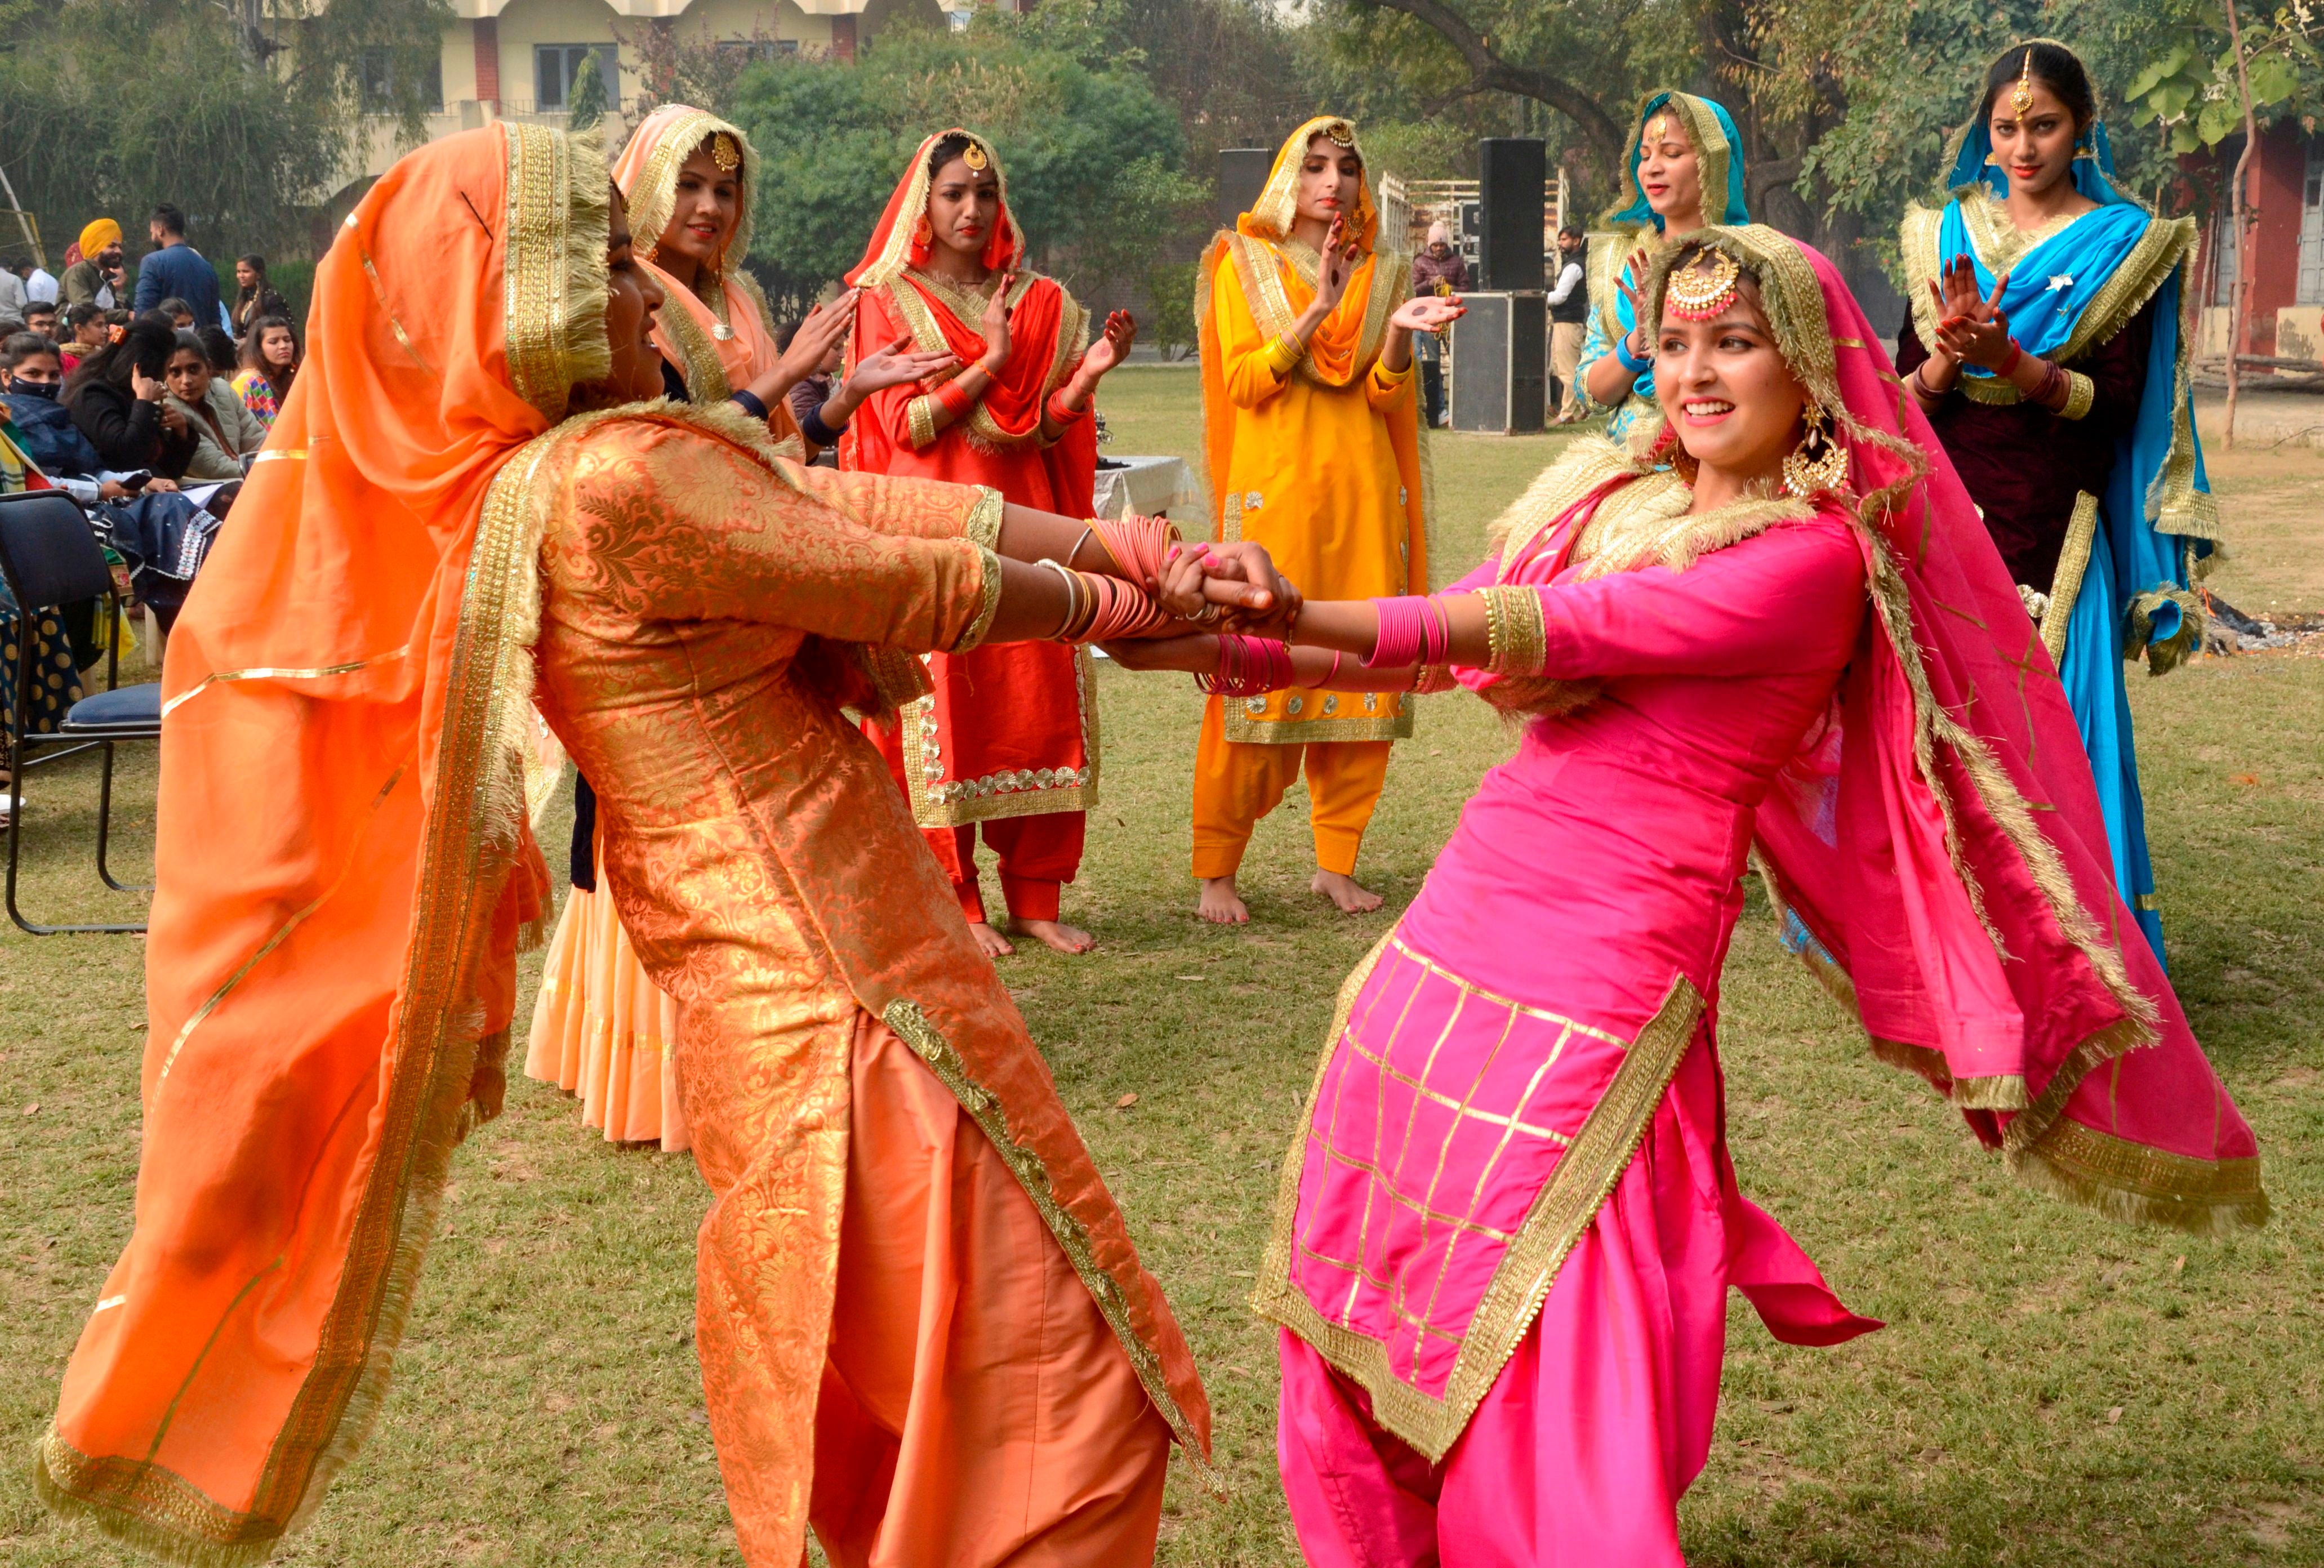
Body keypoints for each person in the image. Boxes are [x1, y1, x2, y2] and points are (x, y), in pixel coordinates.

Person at [37, 122, 1237, 1568]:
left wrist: (1112, 551)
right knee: (1046, 1399)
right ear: (520, 303)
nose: (639, 291)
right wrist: (1134, 606)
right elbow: (883, 574)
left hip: (820, 965)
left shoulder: (576, 466)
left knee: (960, 1390)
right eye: (603, 263)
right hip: (834, 992)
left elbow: (835, 501)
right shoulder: (605, 483)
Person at [1116, 224, 2267, 1566]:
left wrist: (1291, 612)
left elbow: (1543, 631)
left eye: (1733, 343)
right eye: (1671, 344)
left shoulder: (1812, 561)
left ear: (1811, 371)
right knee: (1382, 1262)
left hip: (1610, 968)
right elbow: (1459, 619)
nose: (1694, 374)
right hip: (1452, 932)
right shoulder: (1615, 505)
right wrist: (1200, 634)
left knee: (1552, 1290)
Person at [528, 109, 950, 1152]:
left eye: (725, 190)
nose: (709, 208)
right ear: (646, 189)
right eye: (689, 186)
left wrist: (839, 392)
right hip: (660, 592)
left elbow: (767, 450)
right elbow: (664, 448)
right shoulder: (633, 301)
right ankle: (663, 1076)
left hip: (749, 573)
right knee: (667, 821)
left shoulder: (738, 298)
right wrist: (781, 378)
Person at [1898, 41, 2214, 963]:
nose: (2024, 145)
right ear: (1984, 134)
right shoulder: (1937, 232)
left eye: (2044, 125)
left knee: (2056, 735)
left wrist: (2017, 365)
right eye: (2007, 127)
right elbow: (1897, 391)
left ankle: (2072, 951)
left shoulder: (2127, 245)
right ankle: (1954, 945)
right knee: (1942, 723)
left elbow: (2117, 404)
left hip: (2060, 518)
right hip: (1948, 515)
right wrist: (1953, 360)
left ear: (2081, 128)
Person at [844, 128, 1141, 957]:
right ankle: (956, 906)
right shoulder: (886, 297)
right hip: (931, 531)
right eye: (952, 196)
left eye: (984, 195)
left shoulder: (1039, 298)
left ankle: (1033, 900)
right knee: (941, 711)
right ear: (922, 206)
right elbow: (904, 421)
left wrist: (1085, 378)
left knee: (1031, 701)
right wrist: (990, 361)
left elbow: (1037, 433)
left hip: (1024, 527)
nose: (971, 210)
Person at [1188, 115, 1460, 924]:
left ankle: (1336, 860)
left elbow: (1378, 393)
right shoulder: (1240, 262)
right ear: (1285, 179)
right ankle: (1217, 869)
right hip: (1274, 505)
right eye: (1313, 167)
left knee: (1363, 670)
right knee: (1257, 675)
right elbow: (1246, 383)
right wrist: (1317, 310)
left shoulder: (1383, 273)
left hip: (1362, 494)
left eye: (1344, 166)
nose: (1331, 182)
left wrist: (1403, 338)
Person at [1575, 92, 1752, 443]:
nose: (1653, 167)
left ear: (1713, 162)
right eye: (1645, 156)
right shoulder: (1620, 261)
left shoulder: (1753, 260)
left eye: (1671, 154)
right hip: (1632, 469)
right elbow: (1589, 393)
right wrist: (1638, 340)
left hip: (1729, 466)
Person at [63, 313, 193, 476]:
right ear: (146, 367)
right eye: (168, 367)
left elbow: (170, 471)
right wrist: (144, 404)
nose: (165, 376)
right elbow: (125, 456)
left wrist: (181, 432)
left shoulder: (132, 397)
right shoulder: (93, 395)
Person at [162, 327, 268, 478]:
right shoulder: (166, 409)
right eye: (175, 372)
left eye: (194, 369)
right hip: (208, 489)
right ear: (165, 375)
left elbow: (257, 439)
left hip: (248, 475)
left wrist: (273, 463)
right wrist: (265, 472)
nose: (186, 381)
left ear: (209, 367)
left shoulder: (223, 390)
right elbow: (214, 468)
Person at [1411, 221, 1467, 428]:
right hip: (1432, 319)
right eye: (1435, 245)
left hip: (1452, 319)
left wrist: (1450, 288)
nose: (1439, 248)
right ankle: (1440, 410)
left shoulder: (1457, 262)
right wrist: (1430, 283)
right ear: (1429, 244)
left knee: (1460, 362)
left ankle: (1464, 407)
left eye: (1442, 245)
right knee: (1434, 365)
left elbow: (1466, 287)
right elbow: (1414, 289)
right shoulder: (1420, 263)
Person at [131, 203, 222, 328]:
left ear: (161, 229)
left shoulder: (153, 262)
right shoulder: (206, 267)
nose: (152, 236)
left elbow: (144, 315)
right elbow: (215, 320)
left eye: (152, 231)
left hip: (167, 343)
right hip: (200, 344)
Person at [1547, 223, 1588, 420]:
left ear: (1576, 241)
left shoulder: (1573, 266)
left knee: (1567, 370)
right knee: (1561, 366)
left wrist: (1541, 298)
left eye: (1564, 240)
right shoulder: (1574, 263)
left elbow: (1560, 296)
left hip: (1568, 322)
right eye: (1560, 240)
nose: (1561, 244)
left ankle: (1566, 414)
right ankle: (1583, 406)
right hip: (1566, 322)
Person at [232, 314, 299, 427]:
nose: (283, 346)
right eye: (273, 342)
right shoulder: (253, 382)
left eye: (287, 340)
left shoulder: (288, 377)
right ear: (259, 349)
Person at [64, 222, 124, 309]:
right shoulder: (78, 272)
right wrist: (127, 315)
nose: (119, 251)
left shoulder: (107, 282)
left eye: (120, 247)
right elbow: (86, 310)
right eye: (112, 246)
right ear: (95, 248)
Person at [229, 253, 289, 337]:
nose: (241, 276)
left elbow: (279, 331)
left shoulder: (272, 299)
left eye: (246, 272)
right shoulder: (244, 298)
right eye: (239, 272)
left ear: (259, 274)